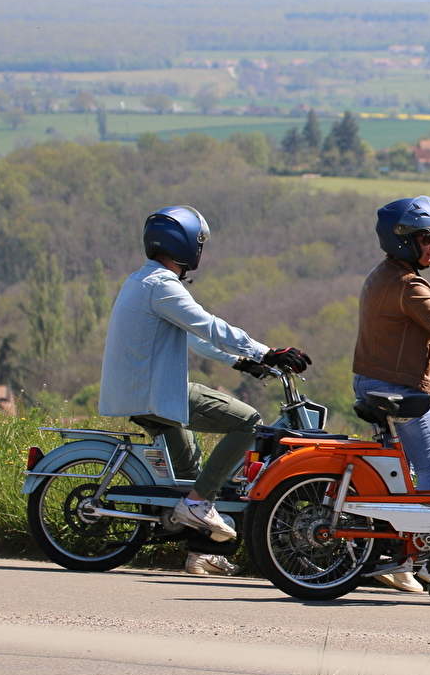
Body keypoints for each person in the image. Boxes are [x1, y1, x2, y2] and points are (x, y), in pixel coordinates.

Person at [99, 205, 312, 574]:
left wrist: (239, 362)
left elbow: (193, 335)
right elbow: (208, 326)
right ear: (186, 245)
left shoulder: (141, 280)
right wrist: (266, 351)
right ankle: (198, 504)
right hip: (156, 392)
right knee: (247, 421)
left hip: (138, 391)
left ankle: (199, 550)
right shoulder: (162, 286)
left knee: (193, 470)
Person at [352, 196, 430, 603]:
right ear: (403, 240)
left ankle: (399, 558)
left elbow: (407, 345)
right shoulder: (409, 285)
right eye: (426, 238)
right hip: (398, 391)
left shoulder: (382, 274)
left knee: (406, 474)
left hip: (375, 381)